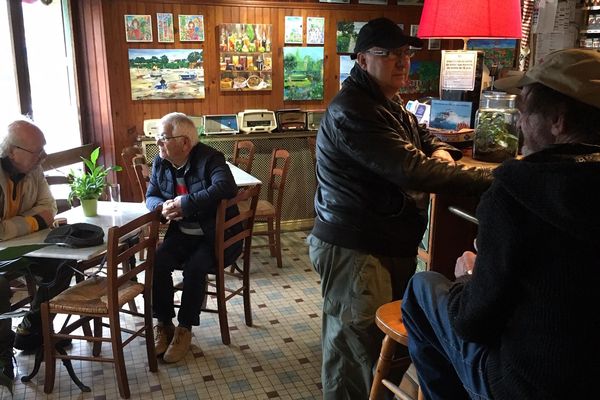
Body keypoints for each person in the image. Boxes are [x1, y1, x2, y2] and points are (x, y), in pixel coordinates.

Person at [307, 17, 493, 399]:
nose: (401, 61)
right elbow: (410, 168)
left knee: (372, 348)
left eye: (405, 53)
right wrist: (498, 179)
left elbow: (424, 138)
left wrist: (441, 151)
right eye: (388, 54)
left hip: (383, 241)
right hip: (356, 246)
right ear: (361, 60)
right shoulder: (353, 110)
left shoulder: (389, 104)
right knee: (355, 351)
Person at [401, 48, 600, 400]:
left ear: (559, 121)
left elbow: (473, 323)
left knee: (423, 286)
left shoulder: (516, 191)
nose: (519, 124)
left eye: (523, 113)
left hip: (524, 384)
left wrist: (468, 279)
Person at [146, 112, 242, 363]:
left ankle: (184, 329)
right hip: (182, 234)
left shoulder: (211, 158)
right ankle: (164, 323)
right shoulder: (161, 162)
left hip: (214, 236)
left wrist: (186, 203)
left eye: (163, 138)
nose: (158, 144)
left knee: (195, 267)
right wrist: (162, 206)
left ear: (185, 142)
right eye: (157, 138)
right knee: (157, 261)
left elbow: (226, 187)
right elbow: (151, 195)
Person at [0, 119, 75, 357]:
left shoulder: (33, 168)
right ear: (13, 152)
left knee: (64, 260)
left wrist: (20, 224)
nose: (43, 156)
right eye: (37, 151)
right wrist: (33, 220)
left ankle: (31, 329)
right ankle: (4, 354)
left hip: (24, 246)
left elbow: (48, 207)